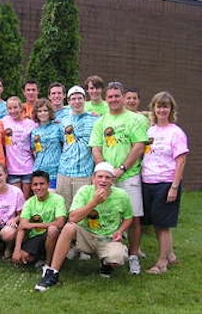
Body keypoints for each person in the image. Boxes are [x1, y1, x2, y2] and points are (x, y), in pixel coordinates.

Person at [34, 162, 133, 292]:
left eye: (107, 177)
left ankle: (106, 264)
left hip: (108, 238)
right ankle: (53, 272)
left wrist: (120, 231)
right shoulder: (85, 191)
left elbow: (128, 218)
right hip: (86, 235)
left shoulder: (121, 195)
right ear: (93, 178)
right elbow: (73, 218)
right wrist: (93, 202)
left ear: (112, 180)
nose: (103, 180)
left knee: (117, 258)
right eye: (100, 176)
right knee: (69, 228)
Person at [89, 81, 148, 275]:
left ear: (123, 97)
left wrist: (121, 169)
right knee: (106, 215)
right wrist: (105, 171)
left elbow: (138, 146)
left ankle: (133, 256)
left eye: (117, 96)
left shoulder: (135, 119)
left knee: (133, 218)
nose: (114, 99)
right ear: (106, 99)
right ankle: (108, 256)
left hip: (128, 176)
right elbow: (96, 148)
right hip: (107, 178)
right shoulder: (101, 121)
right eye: (110, 96)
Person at [141, 91, 189, 274]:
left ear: (171, 109)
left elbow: (181, 160)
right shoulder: (150, 131)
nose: (162, 110)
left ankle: (161, 264)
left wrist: (174, 187)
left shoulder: (176, 133)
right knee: (156, 222)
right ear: (153, 108)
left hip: (166, 182)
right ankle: (169, 254)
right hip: (148, 181)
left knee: (162, 225)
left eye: (165, 106)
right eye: (159, 106)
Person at [12, 171, 66, 268]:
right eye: (35, 185)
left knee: (52, 230)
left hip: (52, 236)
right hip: (35, 237)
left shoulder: (58, 199)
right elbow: (22, 226)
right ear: (31, 187)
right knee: (23, 258)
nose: (38, 187)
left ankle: (48, 263)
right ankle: (39, 257)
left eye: (42, 184)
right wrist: (17, 250)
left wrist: (33, 225)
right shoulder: (29, 202)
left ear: (48, 184)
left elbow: (60, 223)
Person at [56, 86, 98, 208]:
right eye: (73, 99)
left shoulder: (95, 119)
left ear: (85, 100)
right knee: (63, 208)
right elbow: (60, 142)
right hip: (64, 171)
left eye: (80, 98)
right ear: (68, 102)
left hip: (84, 173)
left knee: (81, 208)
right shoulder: (62, 121)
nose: (77, 102)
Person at [1, 96, 37, 199]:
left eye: (15, 107)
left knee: (25, 199)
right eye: (10, 108)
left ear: (21, 108)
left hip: (27, 167)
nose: (13, 111)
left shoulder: (30, 124)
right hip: (12, 168)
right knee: (16, 199)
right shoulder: (4, 122)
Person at [30, 99, 63, 191]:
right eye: (39, 111)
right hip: (39, 170)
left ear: (50, 112)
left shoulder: (58, 127)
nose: (42, 113)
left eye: (45, 110)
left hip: (55, 170)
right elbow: (34, 150)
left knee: (53, 197)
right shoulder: (34, 131)